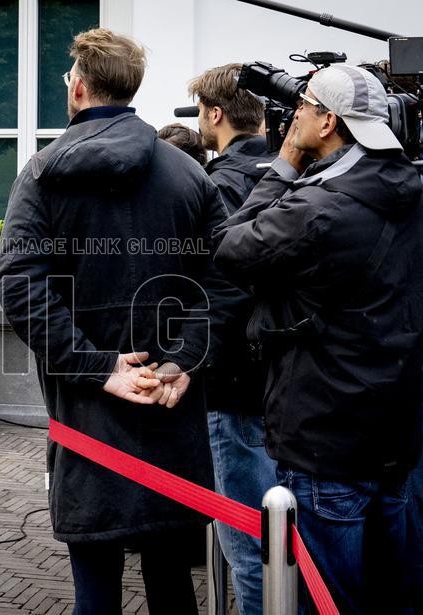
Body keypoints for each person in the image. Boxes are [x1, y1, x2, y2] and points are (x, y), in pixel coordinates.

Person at [0, 28, 226, 615]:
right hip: (169, 407)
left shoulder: (42, 173)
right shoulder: (191, 175)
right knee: (173, 586)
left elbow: (20, 288)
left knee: (95, 589)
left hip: (89, 414)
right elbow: (226, 279)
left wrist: (99, 368)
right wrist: (183, 359)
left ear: (78, 88)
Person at [213, 64, 423, 613]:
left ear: (328, 121)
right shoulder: (420, 196)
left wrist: (286, 162)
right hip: (393, 431)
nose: (294, 116)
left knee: (327, 599)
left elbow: (228, 246)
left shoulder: (319, 207)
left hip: (324, 437)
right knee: (390, 593)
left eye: (304, 105)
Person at [185, 63, 276, 615]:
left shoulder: (218, 185)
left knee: (246, 536)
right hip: (288, 376)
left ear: (215, 114)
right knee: (284, 525)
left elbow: (215, 289)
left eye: (201, 111)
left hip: (235, 378)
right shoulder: (296, 170)